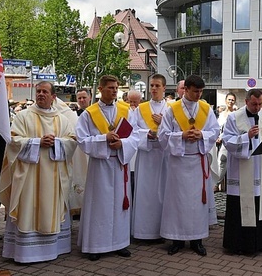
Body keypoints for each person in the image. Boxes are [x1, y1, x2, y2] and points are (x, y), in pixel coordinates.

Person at [0, 81, 77, 263]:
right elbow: (13, 141)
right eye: (38, 91)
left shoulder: (62, 119)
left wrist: (56, 143)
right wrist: (36, 143)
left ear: (53, 97)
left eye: (45, 92)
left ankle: (52, 250)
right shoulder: (23, 116)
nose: (41, 94)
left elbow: (72, 142)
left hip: (54, 176)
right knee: (28, 208)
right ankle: (25, 253)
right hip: (29, 177)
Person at [76, 75, 140, 260]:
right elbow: (82, 140)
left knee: (120, 204)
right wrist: (104, 139)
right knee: (100, 205)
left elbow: (135, 136)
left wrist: (123, 145)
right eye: (110, 87)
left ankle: (120, 243)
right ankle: (96, 245)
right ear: (101, 89)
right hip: (100, 164)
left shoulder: (127, 110)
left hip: (120, 162)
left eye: (116, 87)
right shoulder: (89, 113)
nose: (114, 90)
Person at [158, 75, 220, 255]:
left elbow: (214, 130)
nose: (198, 95)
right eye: (195, 91)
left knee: (196, 204)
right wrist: (181, 136)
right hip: (178, 162)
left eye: (201, 91)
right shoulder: (172, 110)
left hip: (197, 160)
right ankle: (176, 239)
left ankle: (197, 239)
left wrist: (202, 135)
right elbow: (163, 135)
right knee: (177, 202)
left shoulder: (206, 109)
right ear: (185, 89)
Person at [221, 89, 262, 254]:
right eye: (254, 104)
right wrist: (245, 137)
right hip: (241, 171)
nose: (257, 108)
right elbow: (227, 141)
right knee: (241, 206)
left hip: (261, 169)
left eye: (260, 104)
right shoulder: (234, 117)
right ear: (247, 102)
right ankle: (240, 244)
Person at [131, 75, 168, 241]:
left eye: (157, 86)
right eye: (151, 85)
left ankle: (163, 230)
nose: (153, 88)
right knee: (145, 193)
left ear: (164, 88)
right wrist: (146, 134)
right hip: (146, 156)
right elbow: (132, 130)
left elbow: (177, 129)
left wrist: (163, 123)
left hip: (163, 156)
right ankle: (143, 231)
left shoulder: (172, 108)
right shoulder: (141, 108)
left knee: (163, 193)